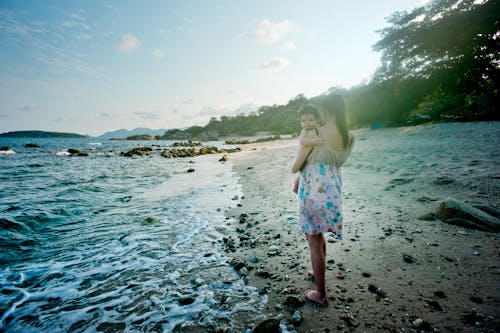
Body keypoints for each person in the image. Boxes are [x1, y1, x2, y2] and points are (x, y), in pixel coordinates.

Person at [292, 94, 354, 306]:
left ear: (326, 110)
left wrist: (297, 175)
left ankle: (321, 294)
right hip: (332, 191)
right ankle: (318, 271)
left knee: (313, 241)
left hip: (313, 191)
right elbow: (324, 161)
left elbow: (299, 163)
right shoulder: (349, 137)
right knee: (320, 234)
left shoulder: (317, 132)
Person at [291, 104, 323, 194]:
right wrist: (314, 141)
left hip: (311, 157)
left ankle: (298, 185)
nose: (307, 123)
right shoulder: (304, 131)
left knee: (304, 174)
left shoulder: (317, 129)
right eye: (303, 121)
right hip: (303, 154)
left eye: (310, 120)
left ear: (316, 120)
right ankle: (296, 186)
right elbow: (302, 141)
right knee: (301, 171)